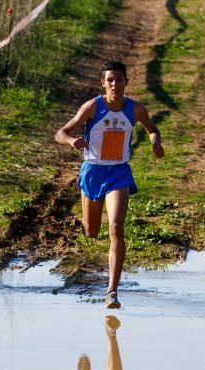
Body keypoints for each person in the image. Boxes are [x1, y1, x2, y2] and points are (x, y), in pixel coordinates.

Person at [54, 61, 164, 309]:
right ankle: (85, 220)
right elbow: (60, 132)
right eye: (110, 80)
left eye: (119, 79)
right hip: (93, 171)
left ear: (126, 81)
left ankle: (112, 291)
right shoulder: (93, 106)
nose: (115, 84)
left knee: (116, 227)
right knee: (91, 231)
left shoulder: (135, 109)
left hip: (118, 173)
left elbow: (152, 129)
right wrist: (71, 141)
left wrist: (155, 143)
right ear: (103, 83)